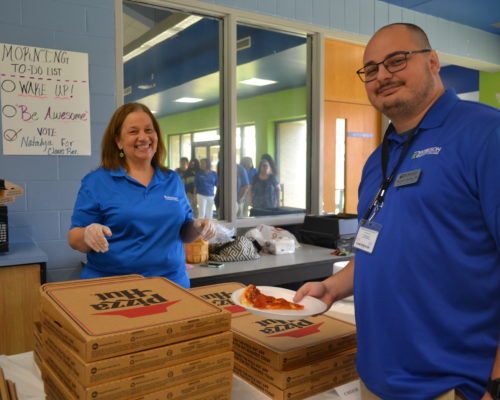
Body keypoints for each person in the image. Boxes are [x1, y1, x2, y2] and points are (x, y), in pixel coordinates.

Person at [294, 23, 500, 400]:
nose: (382, 75)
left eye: (396, 61)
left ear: (433, 61)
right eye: (371, 69)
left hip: (454, 384)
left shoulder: (486, 134)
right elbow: (375, 247)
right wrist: (332, 287)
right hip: (376, 377)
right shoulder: (378, 159)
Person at [68, 103, 215, 288]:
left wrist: (197, 226)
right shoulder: (97, 181)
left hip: (171, 283)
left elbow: (184, 233)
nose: (143, 137)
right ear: (118, 141)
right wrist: (87, 233)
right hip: (112, 287)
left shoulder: (172, 179)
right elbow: (74, 239)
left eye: (148, 130)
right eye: (133, 132)